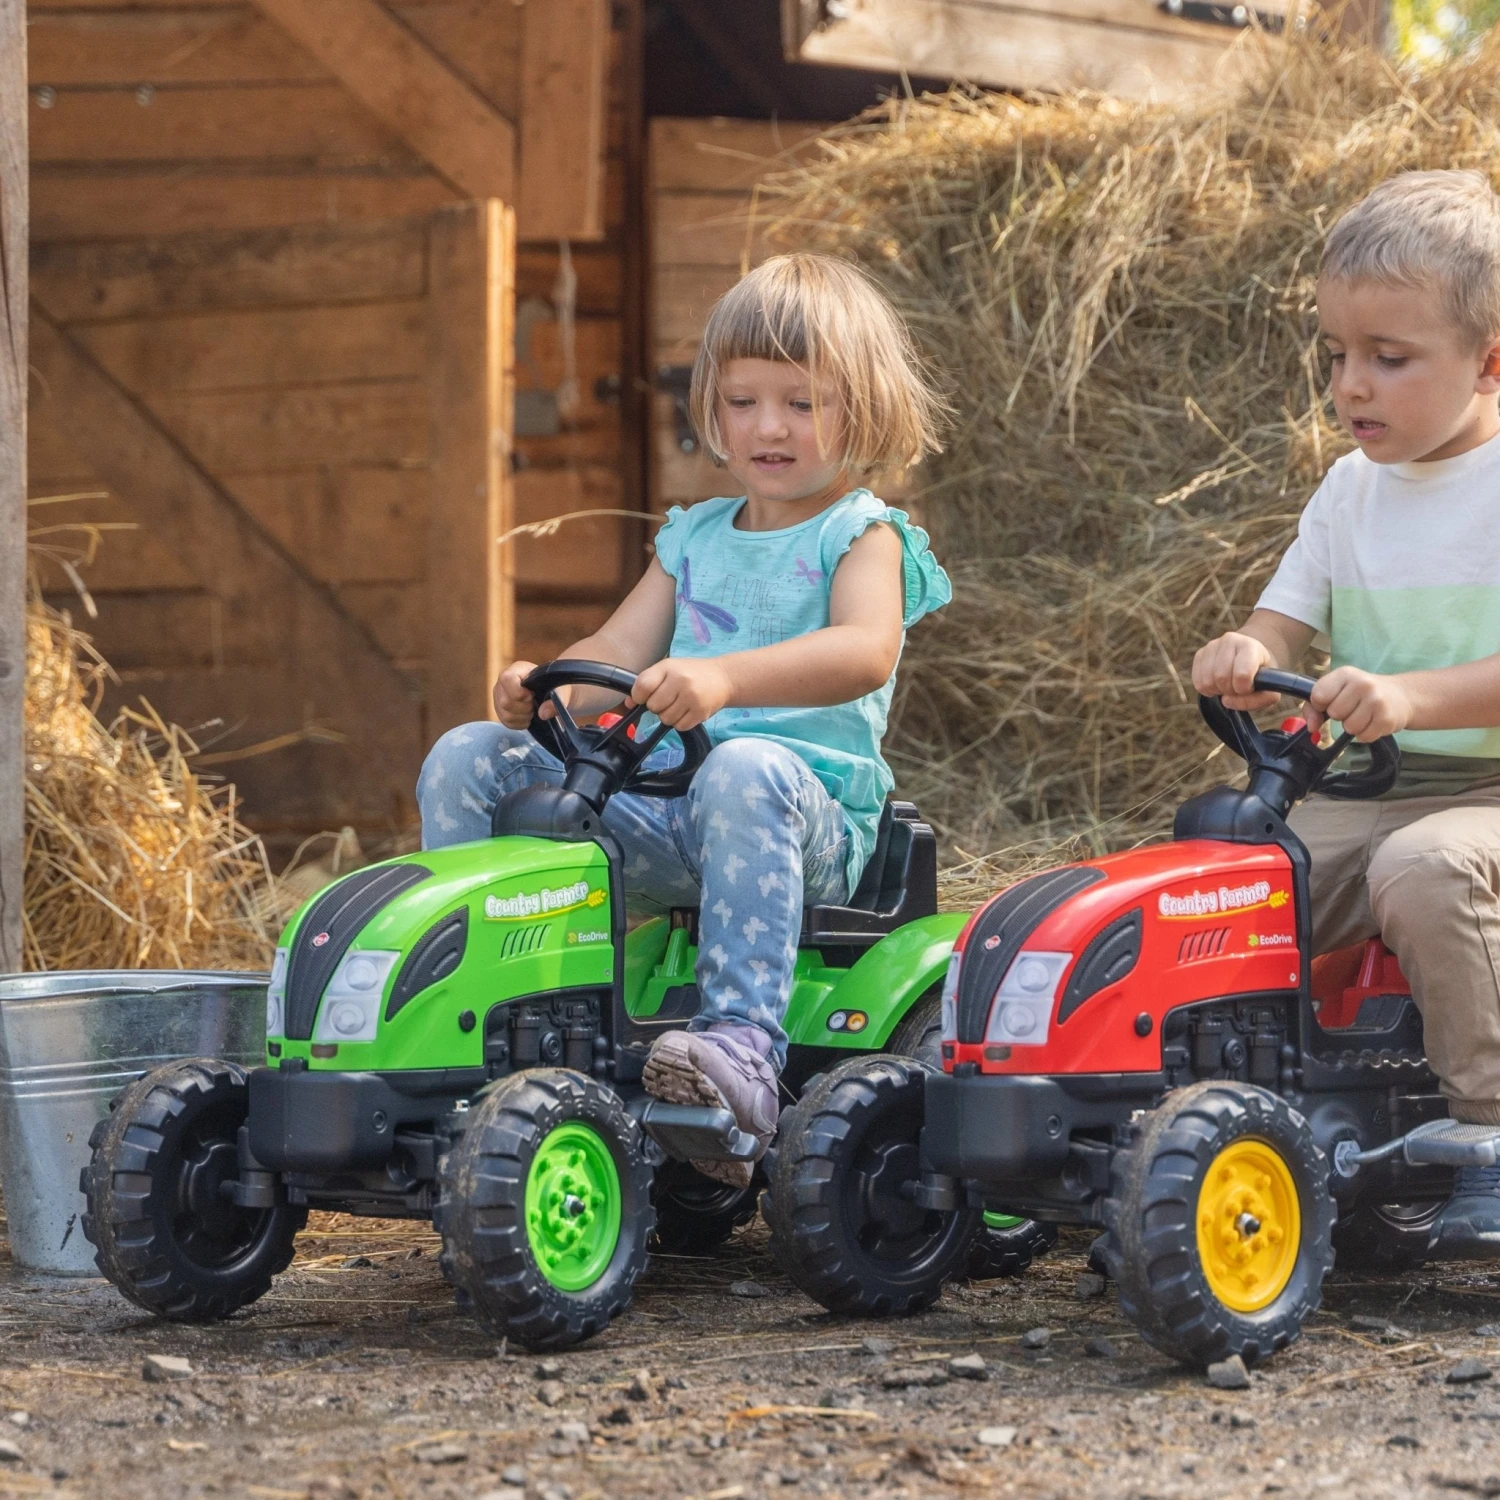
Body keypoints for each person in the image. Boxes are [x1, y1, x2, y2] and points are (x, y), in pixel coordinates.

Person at [418, 253, 950, 1187]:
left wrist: (723, 680)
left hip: (803, 821)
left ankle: (741, 1047)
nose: (769, 428)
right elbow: (614, 651)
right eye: (744, 402)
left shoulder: (862, 534)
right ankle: (472, 1009)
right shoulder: (694, 536)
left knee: (740, 770)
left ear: (860, 407)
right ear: (711, 407)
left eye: (802, 401)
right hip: (665, 809)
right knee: (474, 756)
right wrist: (542, 688)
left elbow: (864, 650)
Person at [1192, 169, 1500, 1257]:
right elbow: (1280, 625)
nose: (1351, 384)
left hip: (1483, 797)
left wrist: (1410, 694)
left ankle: (1490, 1132)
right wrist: (1246, 652)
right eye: (1336, 353)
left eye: (1390, 357)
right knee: (1221, 880)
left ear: (1490, 361)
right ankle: (1213, 1123)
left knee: (1423, 870)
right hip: (1360, 785)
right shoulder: (1347, 490)